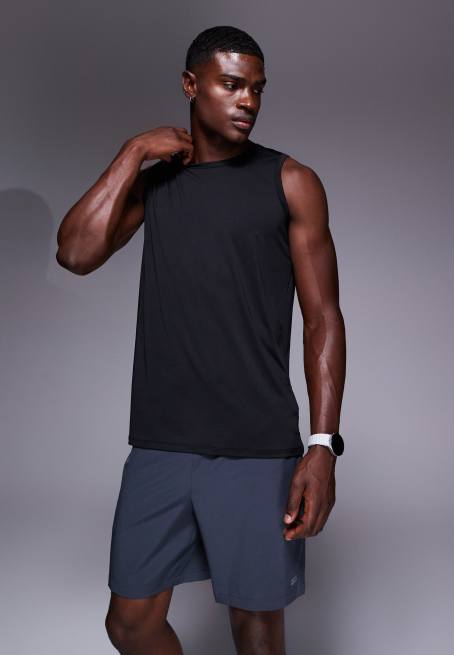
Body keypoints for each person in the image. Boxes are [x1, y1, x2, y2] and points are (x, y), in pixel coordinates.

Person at [56, 24, 346, 655]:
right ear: (191, 85)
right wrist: (134, 150)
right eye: (232, 85)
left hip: (255, 446)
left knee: (257, 632)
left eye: (257, 89)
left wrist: (322, 446)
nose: (248, 101)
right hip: (163, 441)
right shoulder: (159, 181)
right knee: (129, 622)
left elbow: (323, 317)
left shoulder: (290, 180)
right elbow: (75, 253)